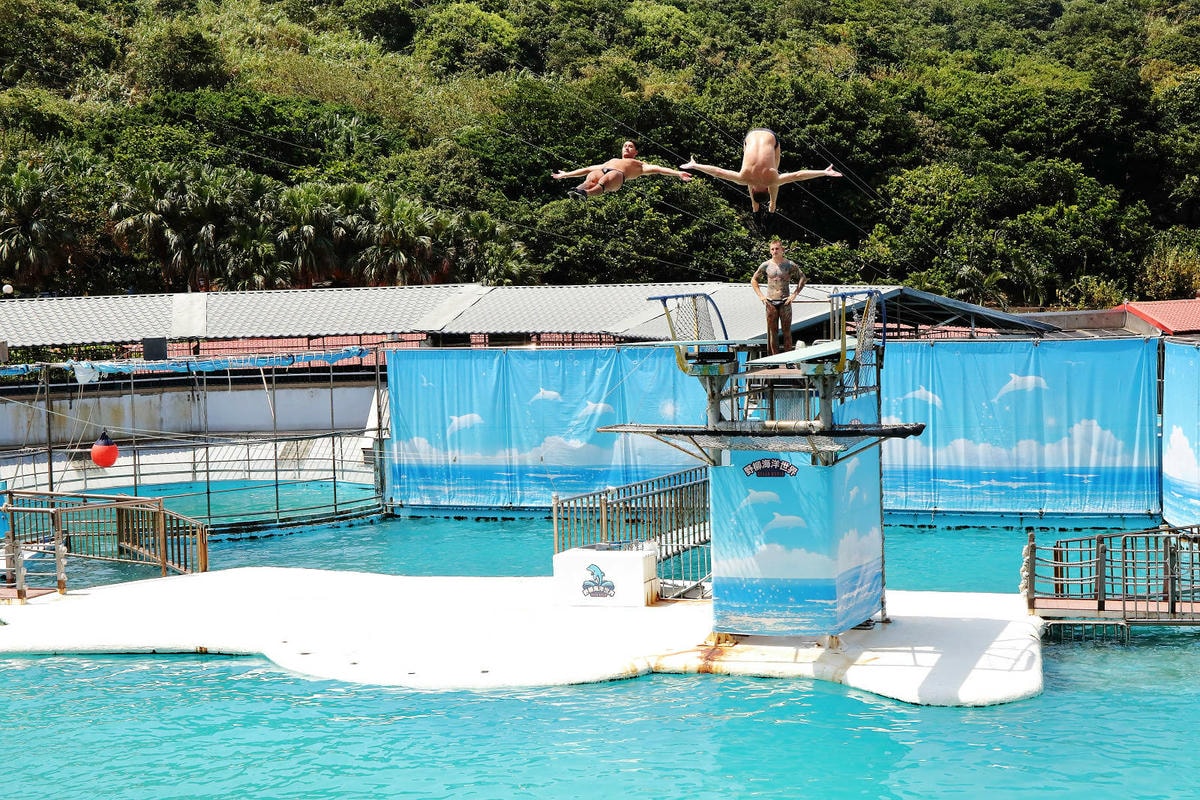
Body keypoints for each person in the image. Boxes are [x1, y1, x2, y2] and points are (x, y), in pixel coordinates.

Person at [680, 128, 842, 214]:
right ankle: (765, 204)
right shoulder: (743, 179)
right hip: (749, 136)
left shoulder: (772, 182)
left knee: (775, 170)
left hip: (771, 137)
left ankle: (764, 204)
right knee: (766, 172)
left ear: (766, 190)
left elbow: (798, 175)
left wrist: (824, 172)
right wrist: (695, 165)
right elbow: (718, 172)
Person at [552, 140, 692, 198]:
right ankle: (579, 191)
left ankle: (586, 194)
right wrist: (566, 175)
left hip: (618, 177)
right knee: (593, 175)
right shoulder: (612, 160)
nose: (627, 147)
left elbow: (659, 169)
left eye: (630, 146)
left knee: (608, 177)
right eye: (625, 145)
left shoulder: (639, 164)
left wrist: (678, 173)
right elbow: (587, 168)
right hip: (606, 170)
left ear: (635, 152)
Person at [751, 239, 806, 355]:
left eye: (777, 249)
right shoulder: (766, 265)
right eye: (772, 249)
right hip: (770, 301)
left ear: (782, 250)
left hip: (785, 301)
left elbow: (802, 278)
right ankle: (774, 359)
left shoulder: (789, 265)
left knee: (786, 331)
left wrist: (794, 295)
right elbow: (754, 279)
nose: (775, 251)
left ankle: (788, 359)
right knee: (773, 332)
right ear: (770, 251)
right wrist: (761, 296)